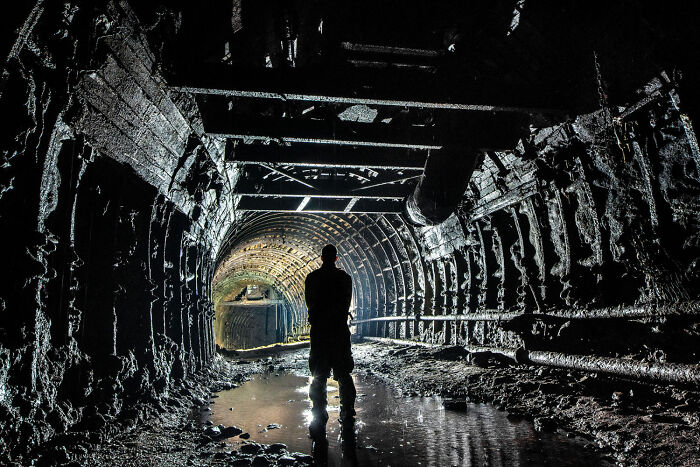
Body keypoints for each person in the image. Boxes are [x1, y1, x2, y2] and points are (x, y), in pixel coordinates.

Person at [305, 244, 356, 437]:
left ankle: (319, 416)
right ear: (336, 258)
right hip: (339, 332)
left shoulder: (312, 278)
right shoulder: (345, 279)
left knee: (319, 376)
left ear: (321, 258)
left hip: (320, 334)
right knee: (344, 374)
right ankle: (347, 414)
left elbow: (311, 305)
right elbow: (345, 304)